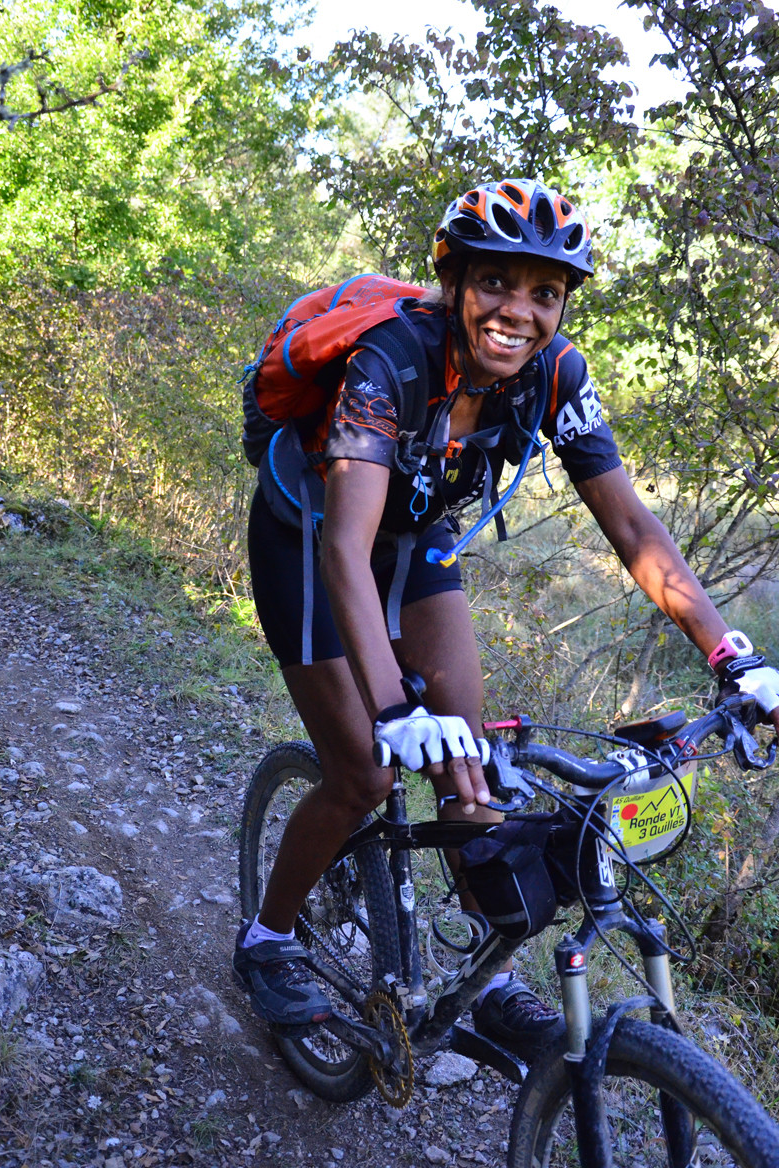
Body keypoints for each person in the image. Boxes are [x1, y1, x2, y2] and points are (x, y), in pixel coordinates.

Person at [233, 177, 779, 1048]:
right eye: (495, 282)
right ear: (454, 285)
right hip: (310, 538)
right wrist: (393, 710)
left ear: (561, 306)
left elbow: (632, 524)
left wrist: (730, 655)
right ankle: (265, 940)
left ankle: (482, 979)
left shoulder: (556, 376)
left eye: (544, 293)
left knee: (471, 760)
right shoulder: (393, 360)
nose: (516, 311)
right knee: (368, 773)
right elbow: (346, 550)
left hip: (416, 541)